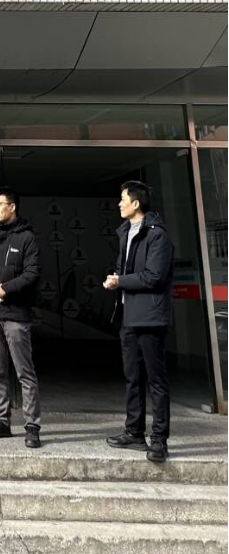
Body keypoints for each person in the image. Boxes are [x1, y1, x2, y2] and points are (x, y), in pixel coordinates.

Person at [103, 181, 174, 463]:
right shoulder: (126, 233)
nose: (119, 203)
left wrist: (120, 281)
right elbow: (125, 269)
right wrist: (115, 278)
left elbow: (153, 276)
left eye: (123, 199)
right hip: (128, 316)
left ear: (136, 203)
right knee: (132, 378)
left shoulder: (157, 235)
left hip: (150, 317)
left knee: (156, 381)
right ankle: (134, 431)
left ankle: (159, 440)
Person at [0, 188, 42, 448]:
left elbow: (32, 273)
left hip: (16, 315)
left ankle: (32, 426)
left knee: (25, 372)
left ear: (12, 207)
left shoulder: (27, 238)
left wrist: (6, 289)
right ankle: (1, 420)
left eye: (0, 204)